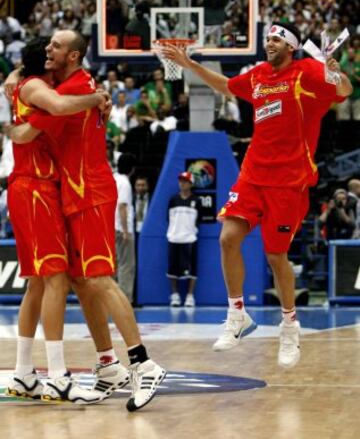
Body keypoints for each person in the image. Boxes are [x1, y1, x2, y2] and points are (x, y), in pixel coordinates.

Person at [162, 22, 353, 367]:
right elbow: (226, 86)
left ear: (291, 46)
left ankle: (289, 326)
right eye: (267, 38)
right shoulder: (259, 75)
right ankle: (237, 315)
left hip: (289, 182)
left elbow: (344, 91)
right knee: (227, 239)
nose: (269, 43)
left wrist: (336, 74)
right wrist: (189, 64)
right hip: (252, 176)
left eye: (276, 39)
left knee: (276, 257)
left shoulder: (306, 72)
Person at [8, 29, 166, 411]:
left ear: (74, 56)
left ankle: (143, 363)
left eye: (56, 47)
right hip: (68, 193)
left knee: (97, 278)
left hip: (90, 191)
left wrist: (13, 128)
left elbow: (33, 112)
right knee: (80, 281)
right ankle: (109, 366)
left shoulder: (71, 89)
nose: (49, 50)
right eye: (46, 47)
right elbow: (19, 81)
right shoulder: (68, 85)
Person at [5, 38, 109, 404]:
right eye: (48, 53)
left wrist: (20, 128)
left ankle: (22, 373)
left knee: (36, 285)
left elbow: (24, 121)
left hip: (27, 187)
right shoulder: (35, 87)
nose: (54, 57)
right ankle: (58, 376)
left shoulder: (24, 84)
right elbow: (62, 104)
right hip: (36, 188)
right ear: (43, 63)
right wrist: (96, 98)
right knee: (55, 280)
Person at [166, 172, 201, 308]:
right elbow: (168, 218)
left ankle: (190, 297)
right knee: (172, 268)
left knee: (192, 269)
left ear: (191, 184)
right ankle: (175, 296)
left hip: (190, 240)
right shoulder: (173, 200)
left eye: (185, 181)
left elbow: (199, 221)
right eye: (181, 180)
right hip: (173, 238)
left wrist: (191, 231)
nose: (182, 183)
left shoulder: (196, 201)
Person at [114, 153, 136, 303]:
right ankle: (124, 302)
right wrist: (126, 230)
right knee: (126, 266)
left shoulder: (113, 178)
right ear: (132, 169)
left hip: (110, 228)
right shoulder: (125, 183)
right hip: (121, 229)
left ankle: (114, 300)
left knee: (115, 266)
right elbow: (122, 206)